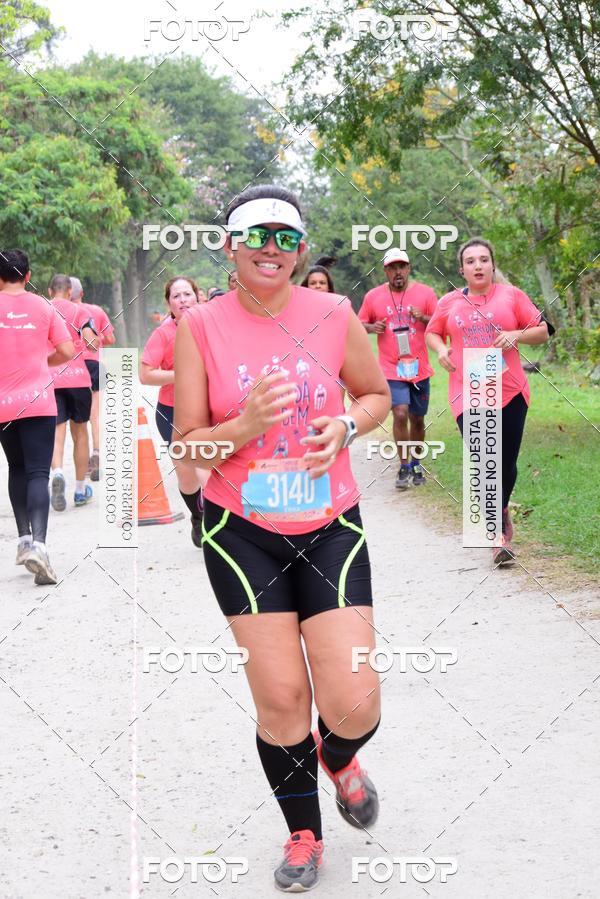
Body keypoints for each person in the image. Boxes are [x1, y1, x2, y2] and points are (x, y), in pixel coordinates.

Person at [173, 184, 391, 892]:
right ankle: (304, 833)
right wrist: (242, 428)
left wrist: (348, 426)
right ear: (230, 245)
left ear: (301, 247)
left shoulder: (332, 311)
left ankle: (340, 756)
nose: (272, 248)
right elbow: (186, 451)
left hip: (330, 525)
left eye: (286, 237)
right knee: (281, 699)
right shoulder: (201, 325)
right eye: (256, 236)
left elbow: (376, 395)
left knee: (355, 700)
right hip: (242, 532)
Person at [426, 237, 550, 564]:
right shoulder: (450, 302)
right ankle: (497, 536)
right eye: (471, 261)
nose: (478, 265)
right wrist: (441, 351)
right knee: (484, 460)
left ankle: (503, 507)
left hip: (508, 389)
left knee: (505, 463)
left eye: (484, 259)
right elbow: (432, 332)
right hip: (467, 389)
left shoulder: (512, 296)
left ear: (493, 265)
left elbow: (542, 331)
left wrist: (517, 335)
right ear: (461, 269)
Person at [0, 249, 74, 584]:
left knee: (16, 468)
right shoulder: (43, 306)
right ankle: (40, 547)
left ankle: (24, 540)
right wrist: (43, 364)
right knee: (37, 472)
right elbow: (68, 350)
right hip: (38, 401)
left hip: (3, 406)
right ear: (28, 276)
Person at [359, 249, 437, 489]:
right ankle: (403, 466)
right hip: (391, 368)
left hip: (418, 368)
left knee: (417, 418)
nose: (398, 272)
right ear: (386, 271)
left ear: (409, 268)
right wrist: (374, 327)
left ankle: (416, 463)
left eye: (402, 266)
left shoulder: (426, 293)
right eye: (393, 268)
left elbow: (439, 323)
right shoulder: (373, 297)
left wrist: (422, 317)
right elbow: (359, 325)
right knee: (400, 412)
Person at [140, 276, 209, 546]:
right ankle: (198, 516)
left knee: (210, 465)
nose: (183, 300)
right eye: (176, 296)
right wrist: (179, 375)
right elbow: (145, 375)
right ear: (169, 303)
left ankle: (219, 521)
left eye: (187, 294)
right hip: (173, 411)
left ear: (198, 296)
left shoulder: (211, 326)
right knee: (187, 473)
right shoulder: (164, 333)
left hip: (208, 408)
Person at [48, 274, 97, 510]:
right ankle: (79, 490)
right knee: (80, 435)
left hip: (50, 379)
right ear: (70, 291)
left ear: (49, 291)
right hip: (78, 380)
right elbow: (91, 344)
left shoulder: (43, 309)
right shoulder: (79, 311)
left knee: (56, 434)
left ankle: (57, 473)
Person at [70, 276, 115, 481]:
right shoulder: (96, 310)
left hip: (73, 367)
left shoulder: (63, 312)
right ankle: (97, 453)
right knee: (95, 414)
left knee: (78, 419)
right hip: (96, 364)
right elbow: (111, 339)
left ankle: (84, 461)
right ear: (82, 293)